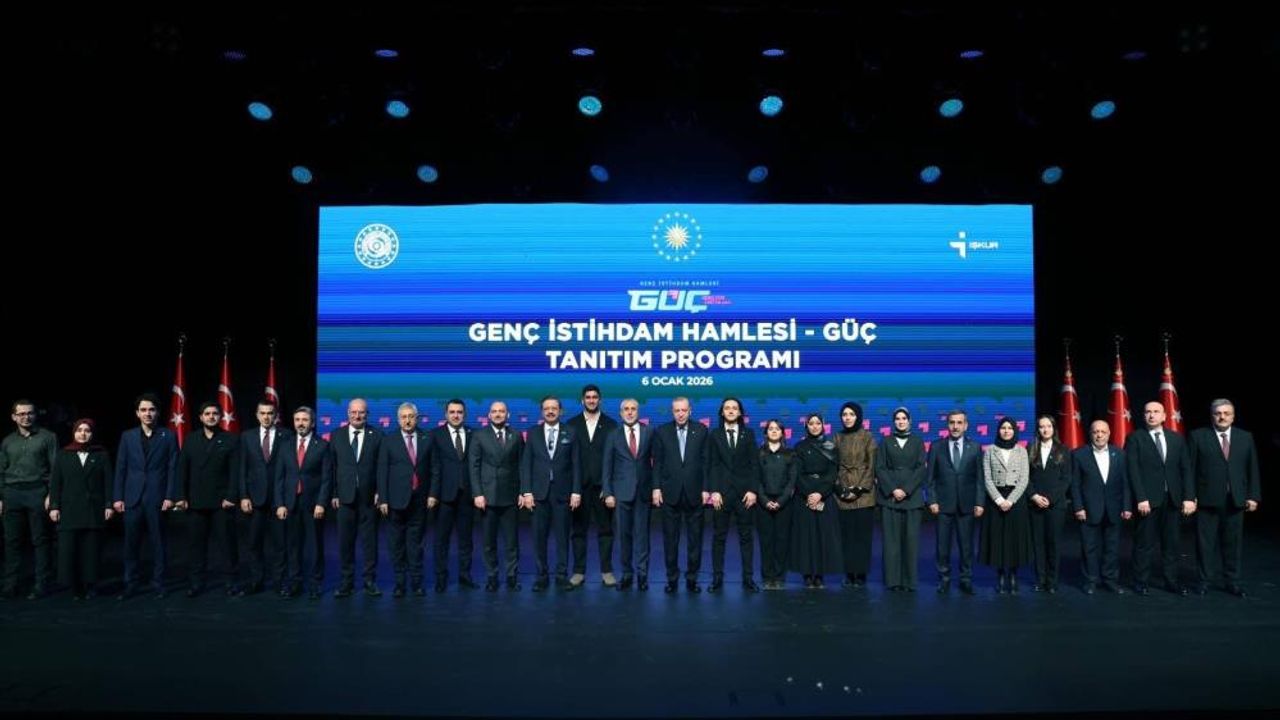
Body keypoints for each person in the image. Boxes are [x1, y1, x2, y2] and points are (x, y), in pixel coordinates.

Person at [1188, 399, 1261, 597]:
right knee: (1205, 545)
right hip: (1206, 501)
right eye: (1218, 413)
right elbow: (1190, 470)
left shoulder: (1245, 437)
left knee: (1233, 545)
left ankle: (1233, 582)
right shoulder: (1198, 436)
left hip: (1236, 500)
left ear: (1233, 416)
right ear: (1212, 415)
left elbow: (1252, 468)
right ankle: (1203, 581)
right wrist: (1190, 496)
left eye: (1226, 413)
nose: (1222, 417)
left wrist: (1253, 496)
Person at [113, 393, 178, 599]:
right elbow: (121, 468)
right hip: (132, 498)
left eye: (151, 410)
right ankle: (130, 583)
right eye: (143, 410)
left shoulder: (168, 435)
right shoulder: (128, 436)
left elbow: (173, 468)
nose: (147, 413)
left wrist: (170, 496)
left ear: (157, 412)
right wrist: (117, 497)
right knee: (130, 544)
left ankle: (159, 583)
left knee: (158, 543)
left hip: (157, 497)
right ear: (137, 413)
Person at [1125, 401, 1193, 596]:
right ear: (1143, 415)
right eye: (1148, 412)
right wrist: (1141, 497)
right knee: (1144, 544)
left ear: (1164, 416)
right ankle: (1141, 582)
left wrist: (1189, 497)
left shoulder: (1177, 439)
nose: (1151, 415)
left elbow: (1186, 469)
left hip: (1172, 500)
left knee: (1171, 544)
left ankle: (1171, 581)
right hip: (1147, 502)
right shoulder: (1135, 438)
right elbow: (1132, 470)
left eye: (1156, 412)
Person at [175, 402, 241, 597]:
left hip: (222, 502)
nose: (211, 416)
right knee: (196, 546)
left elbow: (235, 471)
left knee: (227, 545)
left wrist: (231, 496)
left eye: (214, 413)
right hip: (196, 502)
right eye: (207, 413)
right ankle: (196, 583)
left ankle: (231, 582)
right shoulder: (191, 439)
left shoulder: (230, 439)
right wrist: (181, 496)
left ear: (220, 416)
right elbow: (182, 470)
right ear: (201, 417)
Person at [520, 396, 582, 592]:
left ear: (560, 411)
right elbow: (526, 464)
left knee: (562, 537)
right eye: (546, 408)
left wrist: (576, 491)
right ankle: (542, 576)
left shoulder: (571, 432)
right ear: (542, 411)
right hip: (538, 494)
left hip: (563, 493)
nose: (550, 411)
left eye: (554, 408)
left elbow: (576, 464)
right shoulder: (533, 433)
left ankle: (562, 576)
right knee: (539, 537)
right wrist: (526, 491)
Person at [48, 418, 113, 599]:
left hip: (93, 509)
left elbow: (108, 481)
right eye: (79, 430)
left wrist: (108, 504)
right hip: (69, 509)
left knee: (90, 550)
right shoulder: (63, 455)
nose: (83, 434)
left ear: (92, 433)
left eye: (87, 430)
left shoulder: (101, 454)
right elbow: (56, 483)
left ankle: (91, 585)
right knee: (70, 549)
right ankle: (75, 587)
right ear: (74, 433)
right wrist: (54, 506)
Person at [652, 396, 710, 594]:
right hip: (670, 493)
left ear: (690, 411)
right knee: (670, 540)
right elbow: (657, 462)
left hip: (695, 492)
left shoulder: (701, 430)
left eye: (684, 410)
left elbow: (706, 462)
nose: (680, 414)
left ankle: (692, 579)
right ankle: (672, 579)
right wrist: (656, 488)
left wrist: (705, 489)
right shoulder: (662, 431)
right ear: (672, 412)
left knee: (695, 540)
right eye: (677, 410)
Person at [1, 399, 58, 599]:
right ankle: (10, 586)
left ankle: (42, 584)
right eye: (21, 414)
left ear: (35, 414)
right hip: (12, 493)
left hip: (37, 492)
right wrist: (1, 497)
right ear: (14, 417)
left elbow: (55, 468)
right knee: (12, 542)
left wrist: (51, 494)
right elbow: (1, 470)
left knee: (40, 540)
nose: (26, 417)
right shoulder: (7, 441)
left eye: (30, 413)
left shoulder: (48, 437)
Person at [925, 410, 984, 595]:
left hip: (967, 504)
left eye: (959, 422)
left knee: (966, 546)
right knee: (942, 546)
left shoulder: (975, 447)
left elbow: (980, 478)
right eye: (952, 422)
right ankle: (944, 578)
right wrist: (932, 500)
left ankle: (966, 579)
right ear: (947, 425)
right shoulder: (936, 446)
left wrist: (980, 502)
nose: (955, 426)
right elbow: (930, 478)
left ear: (966, 425)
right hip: (943, 505)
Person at [330, 397, 384, 598]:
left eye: (361, 412)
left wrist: (380, 492)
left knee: (370, 543)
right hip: (344, 498)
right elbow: (332, 468)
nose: (357, 415)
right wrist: (334, 493)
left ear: (367, 414)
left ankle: (369, 581)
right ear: (348, 414)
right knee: (345, 543)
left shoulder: (377, 435)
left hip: (369, 498)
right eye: (353, 412)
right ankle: (347, 582)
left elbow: (381, 467)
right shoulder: (336, 435)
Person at [706, 397, 761, 592]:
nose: (730, 411)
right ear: (722, 412)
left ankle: (748, 579)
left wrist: (753, 490)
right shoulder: (714, 435)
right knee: (718, 537)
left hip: (744, 494)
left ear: (740, 413)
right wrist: (714, 490)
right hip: (721, 494)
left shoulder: (749, 434)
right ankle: (717, 579)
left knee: (746, 537)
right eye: (727, 408)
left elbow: (754, 464)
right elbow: (712, 464)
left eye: (734, 408)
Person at [1071, 420, 1132, 595]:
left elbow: (1125, 483)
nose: (1099, 435)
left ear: (1109, 433)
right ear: (1090, 433)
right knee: (1089, 547)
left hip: (1114, 508)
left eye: (1103, 432)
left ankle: (1110, 580)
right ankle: (1091, 580)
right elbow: (1075, 484)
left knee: (1112, 547)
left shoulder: (1119, 454)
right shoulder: (1079, 454)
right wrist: (1078, 507)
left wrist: (1127, 506)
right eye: (1095, 432)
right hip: (1088, 509)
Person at [566, 384, 618, 588]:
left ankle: (607, 571)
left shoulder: (611, 425)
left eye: (595, 397)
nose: (591, 400)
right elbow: (568, 459)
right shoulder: (571, 424)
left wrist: (609, 486)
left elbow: (614, 458)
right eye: (588, 397)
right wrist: (573, 488)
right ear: (582, 400)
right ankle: (578, 572)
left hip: (602, 488)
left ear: (600, 400)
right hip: (579, 488)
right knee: (578, 531)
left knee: (606, 531)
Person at [276, 406, 331, 599]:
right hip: (290, 503)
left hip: (313, 504)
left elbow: (327, 478)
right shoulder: (285, 445)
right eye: (297, 420)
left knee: (315, 545)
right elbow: (279, 477)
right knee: (293, 545)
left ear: (312, 423)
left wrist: (321, 503)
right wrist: (280, 503)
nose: (301, 423)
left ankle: (315, 584)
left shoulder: (322, 445)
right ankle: (294, 583)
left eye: (305, 420)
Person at [470, 401, 525, 592]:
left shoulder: (516, 435)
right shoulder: (479, 435)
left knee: (511, 542)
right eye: (494, 411)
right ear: (489, 415)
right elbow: (474, 466)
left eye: (501, 411)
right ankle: (492, 576)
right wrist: (477, 493)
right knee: (488, 542)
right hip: (487, 496)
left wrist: (522, 491)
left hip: (510, 495)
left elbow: (522, 465)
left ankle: (511, 576)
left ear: (507, 415)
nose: (498, 414)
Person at [600, 398, 654, 591]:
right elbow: (607, 466)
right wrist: (608, 492)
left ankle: (642, 575)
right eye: (626, 409)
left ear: (638, 411)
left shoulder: (649, 432)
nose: (630, 412)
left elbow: (656, 462)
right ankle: (627, 574)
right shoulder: (613, 435)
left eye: (633, 409)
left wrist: (656, 488)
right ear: (620, 413)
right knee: (623, 536)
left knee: (642, 536)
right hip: (621, 493)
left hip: (643, 492)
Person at [377, 402, 430, 598]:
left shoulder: (427, 438)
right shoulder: (388, 440)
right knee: (397, 545)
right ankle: (400, 583)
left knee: (416, 545)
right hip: (395, 501)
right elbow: (382, 471)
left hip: (420, 500)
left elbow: (434, 468)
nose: (407, 420)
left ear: (417, 418)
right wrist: (383, 499)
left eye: (411, 416)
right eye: (404, 417)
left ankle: (417, 583)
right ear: (398, 419)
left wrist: (432, 494)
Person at [427, 398, 476, 592]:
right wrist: (433, 493)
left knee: (466, 540)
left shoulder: (473, 434)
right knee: (441, 540)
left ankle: (465, 576)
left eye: (459, 412)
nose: (456, 415)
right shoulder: (435, 435)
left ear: (465, 414)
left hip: (467, 495)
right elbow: (432, 466)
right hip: (443, 496)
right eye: (452, 412)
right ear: (446, 414)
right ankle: (441, 578)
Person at [238, 401, 287, 595]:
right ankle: (255, 581)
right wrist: (243, 495)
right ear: (257, 415)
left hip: (279, 500)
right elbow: (242, 468)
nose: (266, 417)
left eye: (270, 413)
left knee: (280, 544)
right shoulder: (246, 436)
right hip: (254, 499)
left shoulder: (286, 435)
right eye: (263, 413)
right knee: (254, 543)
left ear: (276, 415)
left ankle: (279, 582)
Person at [875, 407, 926, 592]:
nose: (901, 421)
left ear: (909, 421)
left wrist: (906, 490)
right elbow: (880, 468)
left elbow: (921, 468)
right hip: (890, 499)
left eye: (904, 418)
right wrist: (893, 489)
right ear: (893, 421)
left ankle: (909, 581)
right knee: (891, 542)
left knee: (911, 542)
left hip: (912, 499)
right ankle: (893, 581)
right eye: (897, 418)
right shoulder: (885, 442)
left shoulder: (918, 442)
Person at [979, 417, 1032, 593]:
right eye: (1003, 428)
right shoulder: (990, 451)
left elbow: (1024, 479)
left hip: (1016, 500)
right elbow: (987, 478)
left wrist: (1010, 500)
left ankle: (1014, 575)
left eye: (1010, 428)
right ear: (998, 430)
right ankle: (1001, 575)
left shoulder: (1022, 451)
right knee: (998, 539)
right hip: (996, 500)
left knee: (1015, 538)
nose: (1007, 431)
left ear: (1014, 431)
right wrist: (999, 500)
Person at [790, 414, 843, 588]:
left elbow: (832, 473)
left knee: (822, 536)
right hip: (803, 497)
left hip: (824, 497)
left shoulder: (830, 446)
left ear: (823, 425)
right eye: (811, 423)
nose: (814, 426)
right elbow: (796, 473)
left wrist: (820, 493)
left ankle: (820, 575)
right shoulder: (799, 447)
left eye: (818, 423)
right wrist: (809, 493)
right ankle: (806, 574)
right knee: (806, 537)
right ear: (806, 426)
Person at [1027, 414, 1072, 594]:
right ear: (1038, 429)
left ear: (1054, 428)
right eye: (1041, 426)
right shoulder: (1031, 448)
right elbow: (1025, 477)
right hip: (1035, 504)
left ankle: (1052, 581)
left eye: (1048, 426)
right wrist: (1034, 496)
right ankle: (1040, 579)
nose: (1045, 430)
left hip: (1056, 505)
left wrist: (1050, 499)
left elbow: (1066, 479)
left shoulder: (1063, 450)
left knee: (1053, 543)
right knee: (1038, 543)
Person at [834, 401, 876, 588]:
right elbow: (832, 466)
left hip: (864, 496)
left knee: (862, 538)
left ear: (858, 416)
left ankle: (861, 574)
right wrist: (842, 490)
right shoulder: (837, 437)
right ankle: (849, 573)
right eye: (844, 414)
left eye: (851, 414)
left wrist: (858, 489)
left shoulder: (868, 436)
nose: (848, 418)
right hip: (842, 496)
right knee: (846, 538)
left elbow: (871, 466)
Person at [756, 419, 796, 590]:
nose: (773, 431)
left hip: (784, 504)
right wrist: (765, 500)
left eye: (777, 429)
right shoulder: (759, 454)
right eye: (770, 429)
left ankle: (779, 577)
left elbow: (792, 481)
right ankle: (767, 577)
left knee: (781, 541)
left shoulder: (790, 454)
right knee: (766, 542)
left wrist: (780, 501)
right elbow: (756, 480)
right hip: (763, 504)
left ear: (782, 433)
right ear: (766, 433)